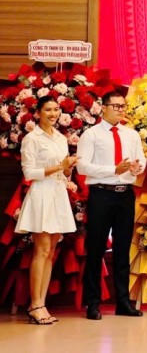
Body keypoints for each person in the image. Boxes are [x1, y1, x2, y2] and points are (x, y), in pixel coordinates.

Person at [77, 90, 146, 320]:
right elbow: (82, 167)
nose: (120, 110)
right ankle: (93, 303)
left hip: (125, 195)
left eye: (123, 106)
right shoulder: (91, 135)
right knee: (96, 249)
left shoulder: (131, 135)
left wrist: (137, 167)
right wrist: (113, 170)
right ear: (103, 107)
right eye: (115, 106)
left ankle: (123, 302)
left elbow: (141, 160)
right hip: (101, 194)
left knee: (123, 249)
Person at [16, 95, 77, 325]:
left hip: (58, 193)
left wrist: (68, 168)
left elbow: (64, 171)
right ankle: (35, 305)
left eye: (56, 109)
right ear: (38, 113)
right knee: (41, 250)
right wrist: (59, 166)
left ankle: (41, 303)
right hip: (41, 194)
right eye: (48, 110)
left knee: (50, 251)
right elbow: (29, 173)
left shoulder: (61, 138)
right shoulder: (31, 138)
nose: (53, 114)